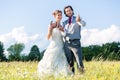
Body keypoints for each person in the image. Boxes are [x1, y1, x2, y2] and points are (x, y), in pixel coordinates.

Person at [37, 10, 72, 77]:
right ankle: (49, 74)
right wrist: (50, 30)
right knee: (51, 59)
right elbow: (48, 37)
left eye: (60, 15)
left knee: (62, 59)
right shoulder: (51, 25)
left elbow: (65, 36)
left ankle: (61, 74)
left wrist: (62, 30)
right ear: (55, 16)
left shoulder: (62, 25)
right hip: (53, 45)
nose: (59, 16)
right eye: (58, 15)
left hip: (61, 45)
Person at [62, 5, 86, 74]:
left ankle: (82, 76)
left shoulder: (77, 19)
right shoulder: (64, 22)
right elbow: (63, 34)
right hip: (67, 44)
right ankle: (72, 76)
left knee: (79, 62)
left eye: (69, 10)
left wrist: (79, 21)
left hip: (75, 43)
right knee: (70, 62)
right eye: (66, 11)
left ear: (72, 11)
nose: (68, 12)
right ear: (65, 13)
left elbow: (84, 24)